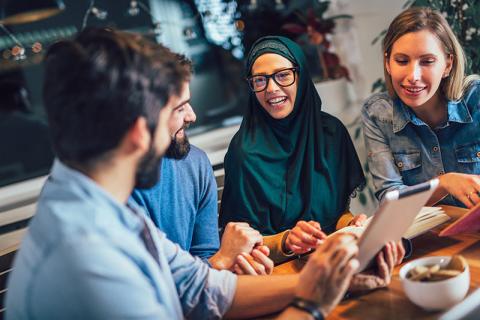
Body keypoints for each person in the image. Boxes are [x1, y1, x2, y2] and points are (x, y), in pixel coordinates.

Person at [5, 27, 397, 320]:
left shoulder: (103, 206)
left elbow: (201, 286)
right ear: (138, 130)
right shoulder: (91, 259)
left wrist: (324, 280)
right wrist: (312, 303)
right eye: (176, 110)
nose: (192, 117)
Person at [219, 35, 370, 261]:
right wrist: (288, 240)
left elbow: (336, 215)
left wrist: (352, 224)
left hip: (337, 259)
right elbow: (240, 246)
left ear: (301, 76)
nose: (271, 88)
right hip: (279, 272)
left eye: (282, 76)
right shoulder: (244, 153)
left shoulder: (331, 133)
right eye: (260, 80)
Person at [131, 59, 273, 274]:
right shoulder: (117, 188)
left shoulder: (194, 162)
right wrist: (224, 260)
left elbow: (206, 257)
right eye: (179, 108)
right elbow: (151, 286)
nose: (192, 116)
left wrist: (234, 263)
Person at [362, 7, 480, 209]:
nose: (413, 76)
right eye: (402, 61)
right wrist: (443, 184)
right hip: (429, 238)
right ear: (388, 63)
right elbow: (390, 200)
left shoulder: (476, 98)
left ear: (448, 65)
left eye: (427, 61)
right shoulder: (377, 114)